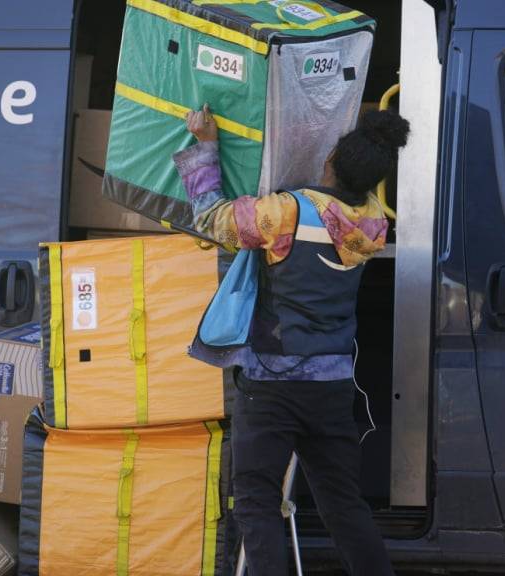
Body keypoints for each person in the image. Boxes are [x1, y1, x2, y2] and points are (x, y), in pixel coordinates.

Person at [173, 104, 409, 576]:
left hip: (273, 384)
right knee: (343, 505)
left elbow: (213, 219)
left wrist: (207, 146)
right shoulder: (372, 225)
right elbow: (350, 194)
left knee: (256, 500)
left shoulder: (285, 213)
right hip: (332, 387)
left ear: (330, 161)